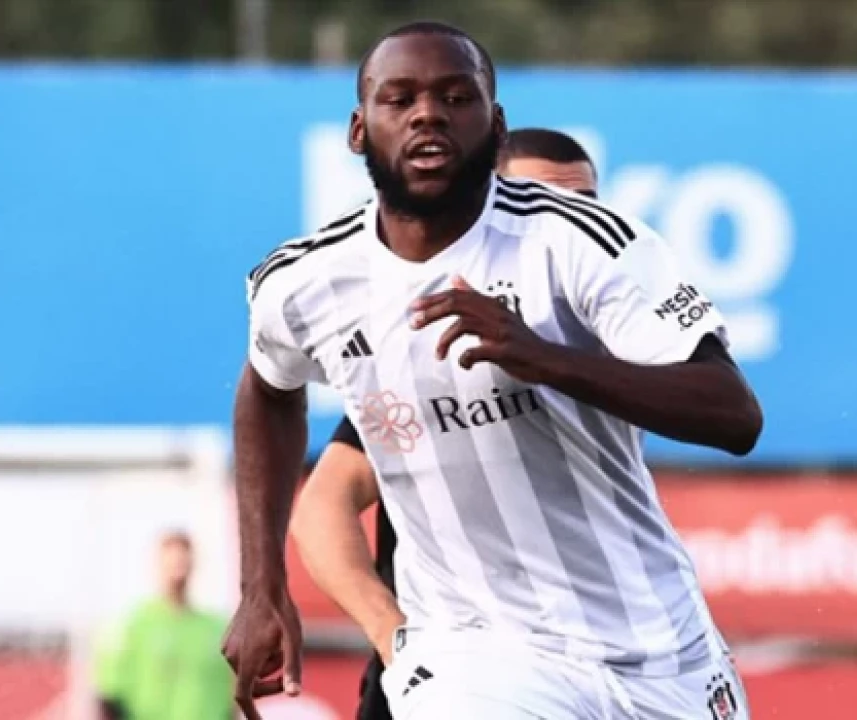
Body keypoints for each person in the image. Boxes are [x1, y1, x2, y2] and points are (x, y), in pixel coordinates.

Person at [224, 19, 763, 720]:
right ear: (358, 130)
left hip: (658, 652)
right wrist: (262, 586)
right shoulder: (304, 282)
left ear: (496, 125)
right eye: (400, 99)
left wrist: (542, 357)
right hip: (474, 657)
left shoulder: (579, 241)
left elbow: (735, 414)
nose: (427, 114)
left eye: (455, 97)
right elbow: (268, 389)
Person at [291, 127, 604, 720]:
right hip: (455, 683)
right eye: (540, 203)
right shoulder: (436, 352)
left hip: (596, 670)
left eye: (585, 207)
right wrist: (396, 640)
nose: (567, 226)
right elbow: (322, 506)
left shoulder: (616, 338)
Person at [96, 531, 234, 720]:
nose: (177, 571)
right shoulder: (134, 625)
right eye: (171, 563)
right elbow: (109, 694)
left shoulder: (216, 630)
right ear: (158, 565)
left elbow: (231, 695)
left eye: (182, 562)